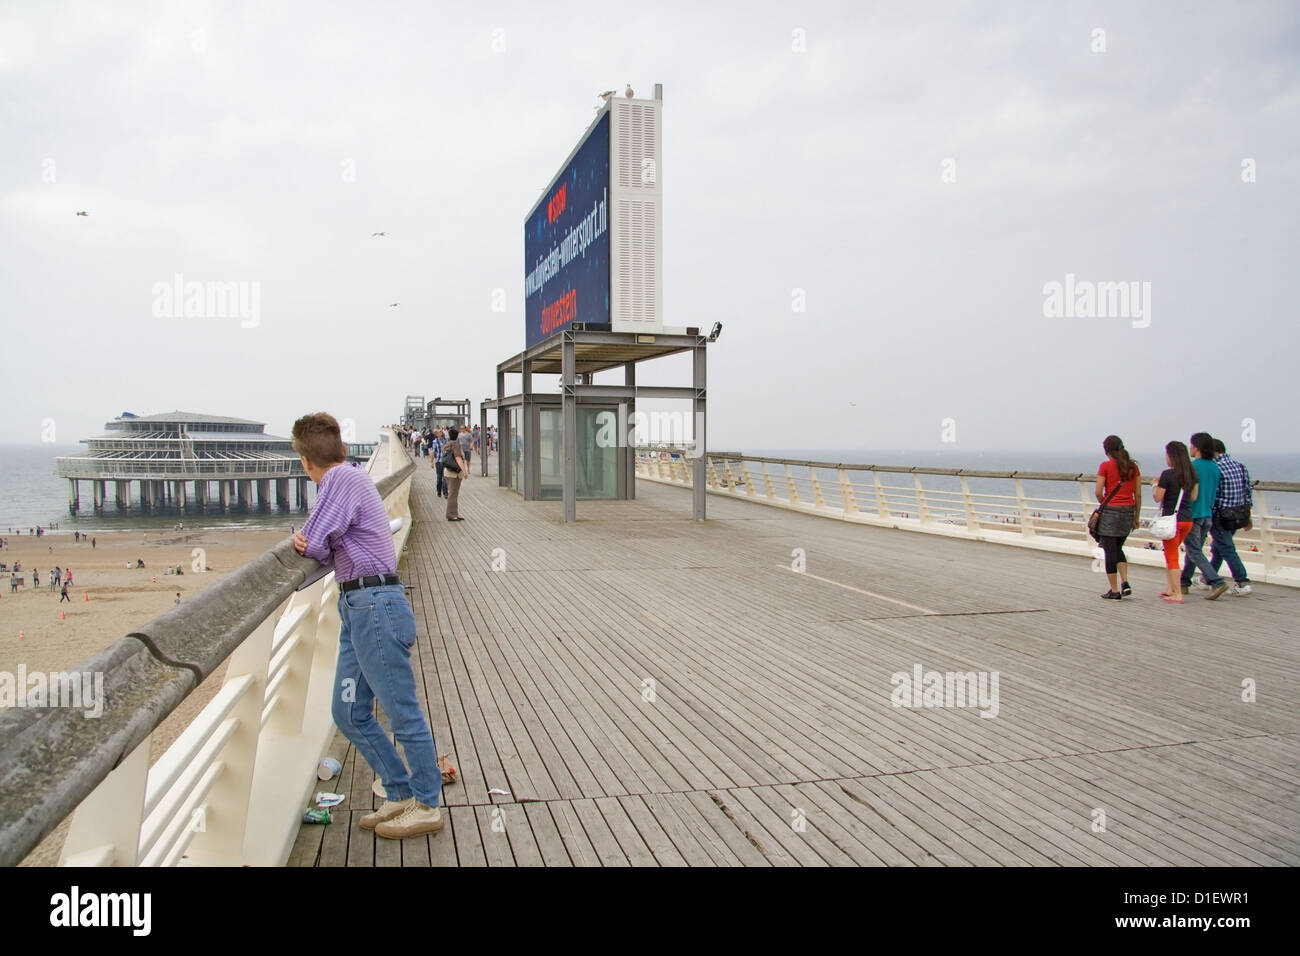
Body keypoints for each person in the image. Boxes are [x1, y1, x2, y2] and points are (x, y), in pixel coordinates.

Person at [291, 411, 444, 839]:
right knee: (348, 710)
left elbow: (316, 542)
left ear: (306, 461)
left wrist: (299, 536)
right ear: (340, 446)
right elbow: (325, 547)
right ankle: (398, 790)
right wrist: (311, 538)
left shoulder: (338, 481)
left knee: (402, 713)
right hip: (359, 606)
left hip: (374, 605)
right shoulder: (352, 478)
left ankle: (428, 804)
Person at [1181, 433, 1228, 599]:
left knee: (1193, 551)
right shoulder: (1215, 467)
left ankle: (1216, 582)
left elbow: (1187, 491)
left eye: (1192, 445)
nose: (1190, 448)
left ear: (1198, 447)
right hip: (1207, 514)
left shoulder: (1193, 467)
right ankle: (1184, 583)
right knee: (1194, 551)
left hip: (1193, 513)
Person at [1094, 435, 1141, 599]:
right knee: (1118, 547)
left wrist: (1104, 503)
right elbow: (1138, 495)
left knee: (1109, 550)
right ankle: (1125, 582)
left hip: (1111, 511)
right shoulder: (1133, 467)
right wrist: (1136, 517)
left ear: (1107, 450)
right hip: (1128, 510)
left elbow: (1098, 492)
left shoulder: (1105, 466)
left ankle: (1114, 590)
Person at [1153, 441, 1198, 604]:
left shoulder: (1167, 474)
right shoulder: (1191, 474)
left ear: (1171, 456)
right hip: (1187, 520)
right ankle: (1170, 588)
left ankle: (1177, 593)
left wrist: (1155, 485)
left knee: (1172, 557)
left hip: (1171, 521)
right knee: (1170, 554)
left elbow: (1158, 497)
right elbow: (1193, 497)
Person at [1209, 438, 1253, 596]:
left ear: (1212, 451)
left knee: (1226, 548)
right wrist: (1249, 516)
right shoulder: (1240, 466)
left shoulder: (1215, 468)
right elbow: (1247, 492)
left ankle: (1242, 581)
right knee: (1219, 547)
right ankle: (1208, 577)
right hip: (1238, 514)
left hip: (1221, 515)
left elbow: (1212, 494)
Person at [443, 426, 468, 521]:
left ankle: (454, 513)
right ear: (457, 436)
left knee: (452, 493)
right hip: (455, 474)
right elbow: (458, 458)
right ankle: (451, 514)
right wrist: (464, 471)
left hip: (447, 472)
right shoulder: (456, 445)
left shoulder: (447, 445)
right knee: (453, 494)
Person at [431, 428, 446, 498]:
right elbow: (433, 451)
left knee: (445, 477)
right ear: (437, 434)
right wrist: (431, 462)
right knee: (439, 478)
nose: (440, 433)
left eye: (441, 432)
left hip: (446, 462)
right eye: (439, 432)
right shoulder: (435, 441)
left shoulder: (446, 441)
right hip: (438, 461)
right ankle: (439, 491)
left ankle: (445, 492)